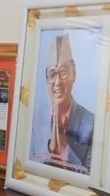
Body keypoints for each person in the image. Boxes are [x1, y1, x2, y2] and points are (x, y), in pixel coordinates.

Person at [31, 33, 94, 175]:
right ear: (46, 78)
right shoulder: (36, 118)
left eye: (64, 72)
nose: (58, 82)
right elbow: (28, 168)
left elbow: (91, 179)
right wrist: (50, 149)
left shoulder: (92, 124)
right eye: (52, 74)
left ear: (74, 73)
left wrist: (64, 148)